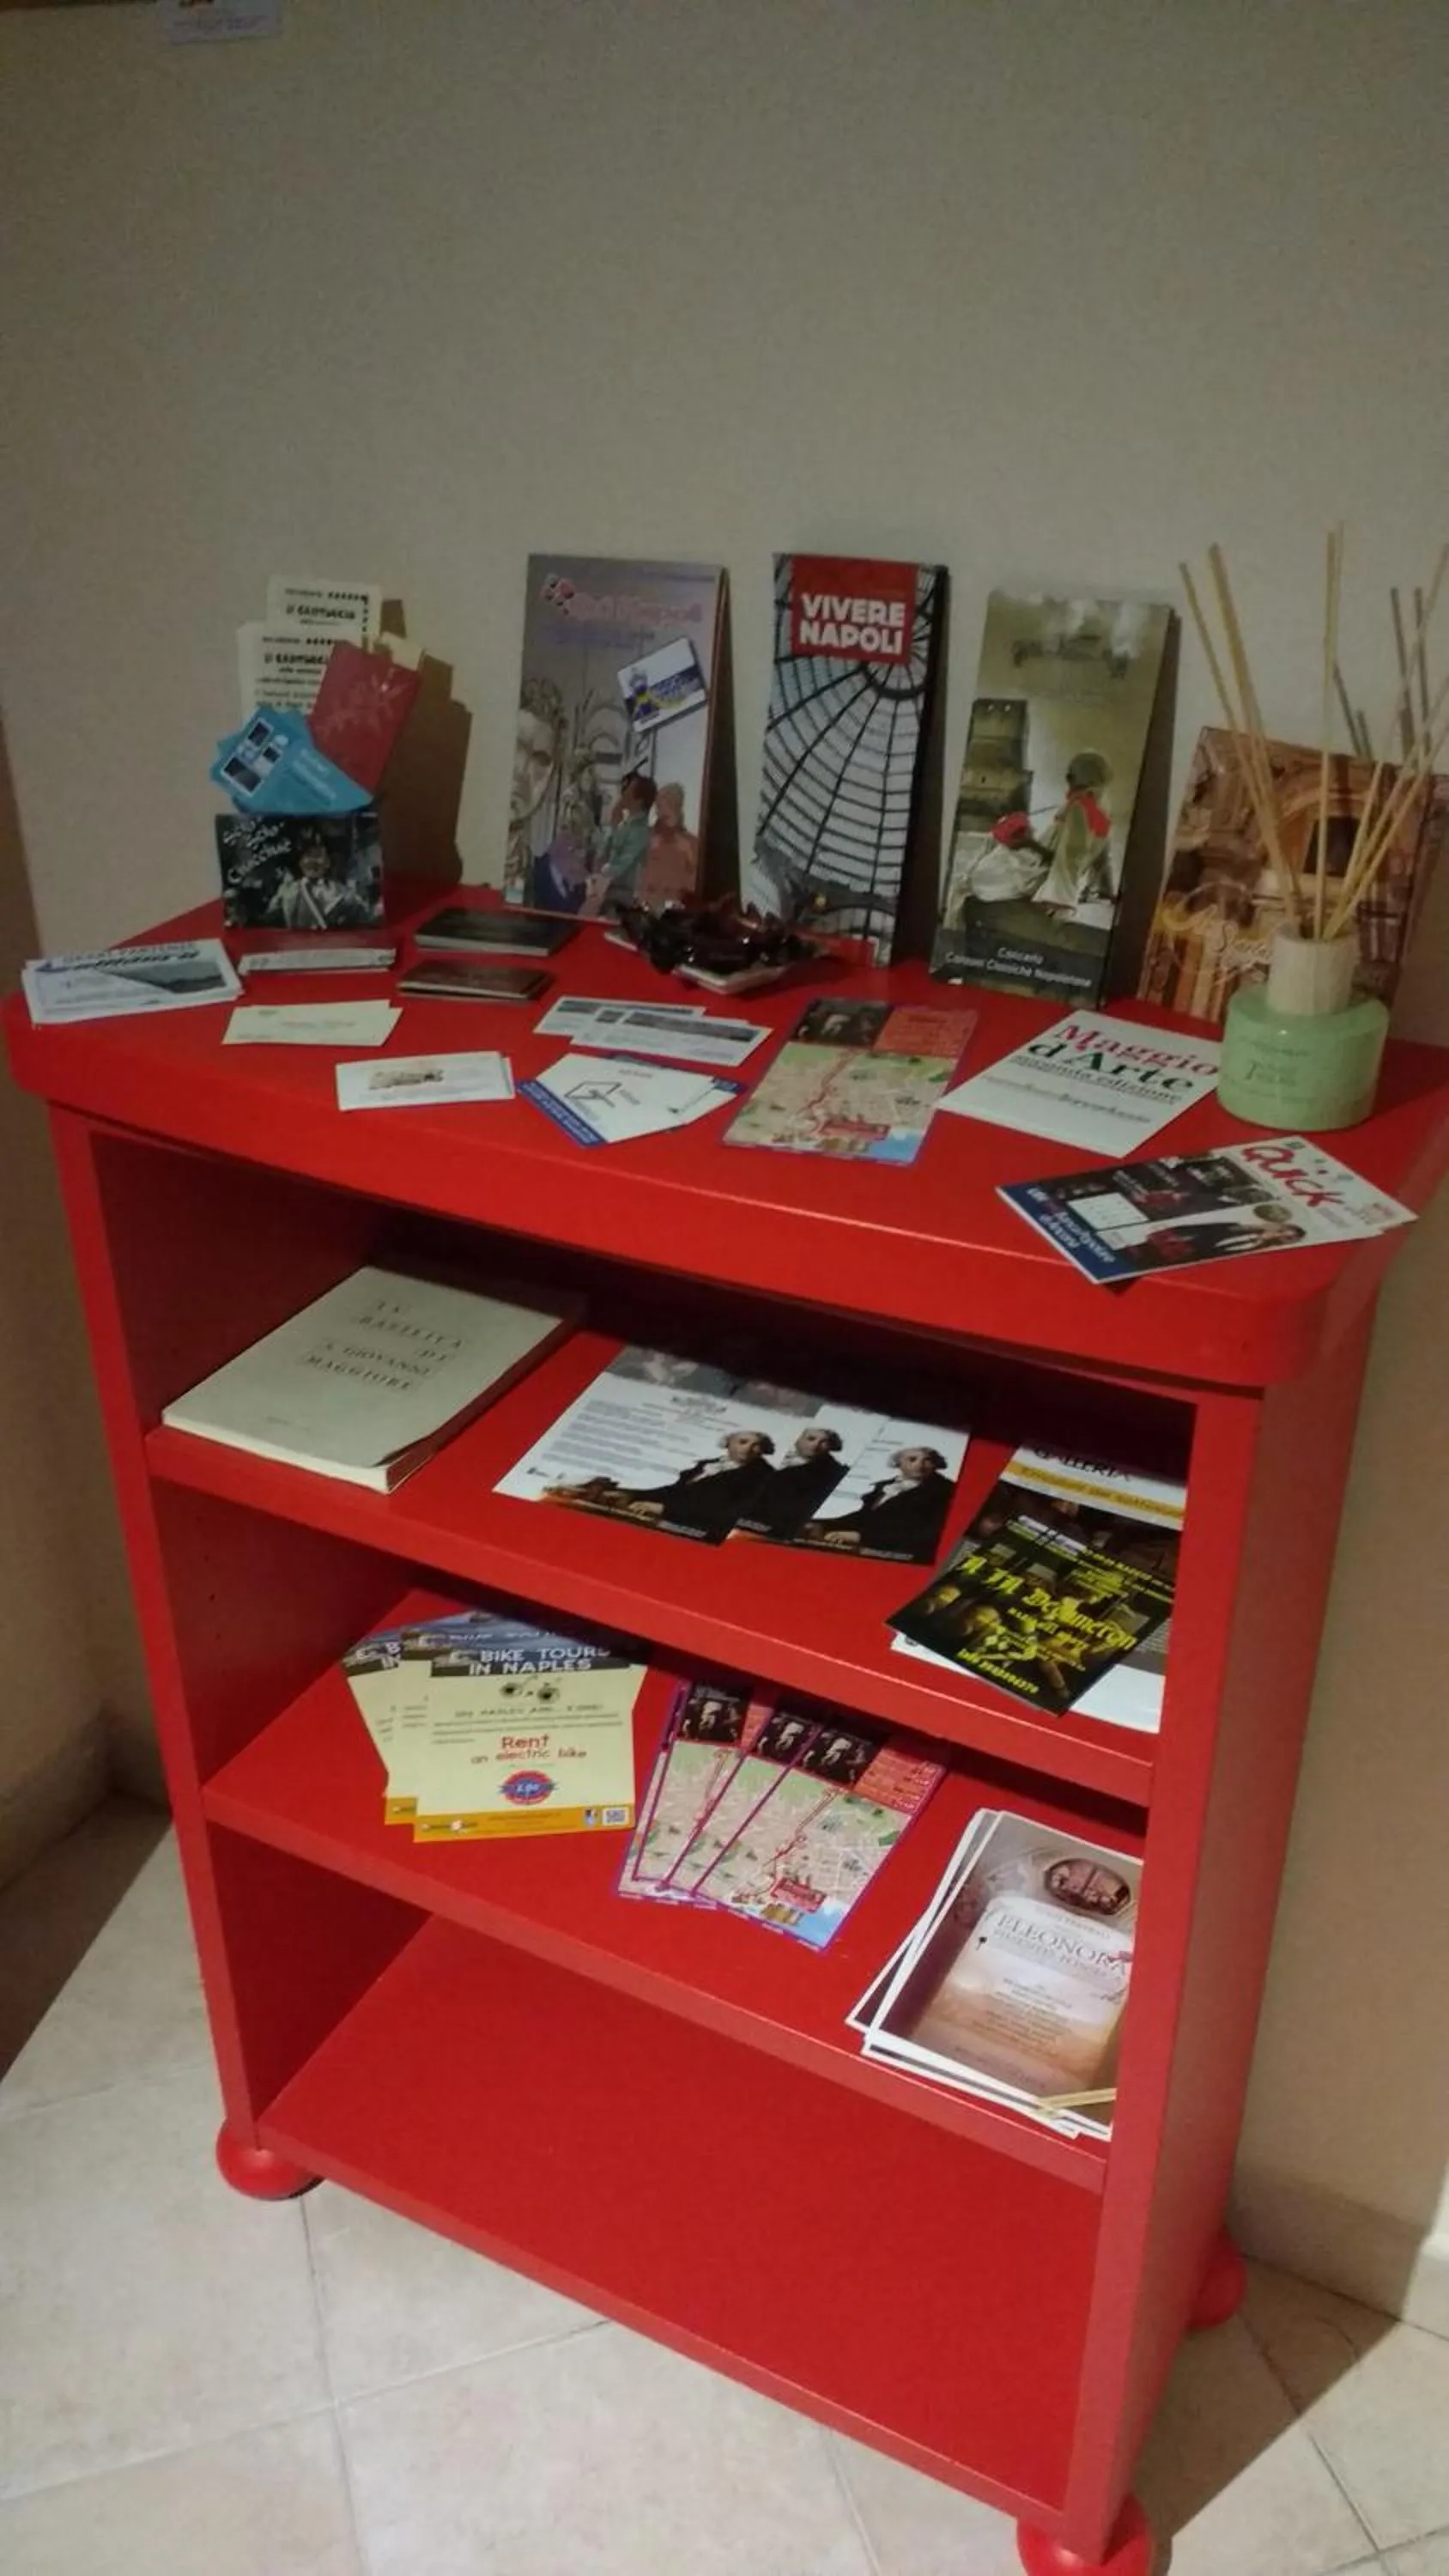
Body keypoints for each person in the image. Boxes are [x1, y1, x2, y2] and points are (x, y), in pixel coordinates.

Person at [616, 1428, 776, 1540]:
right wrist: (631, 1493)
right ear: (728, 1443)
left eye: (757, 1446)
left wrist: (665, 1509)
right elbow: (677, 1492)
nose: (749, 1449)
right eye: (743, 1442)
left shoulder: (763, 1476)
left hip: (700, 1535)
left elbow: (729, 1513)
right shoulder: (709, 1464)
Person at [804, 1446, 955, 1560]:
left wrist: (860, 1537)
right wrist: (824, 1524)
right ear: (898, 1463)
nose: (920, 1465)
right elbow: (866, 1517)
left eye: (928, 1460)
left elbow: (925, 1536)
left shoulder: (945, 1492)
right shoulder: (886, 1486)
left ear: (936, 1465)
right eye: (912, 1459)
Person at [737, 1425, 846, 1537]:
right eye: (811, 1439)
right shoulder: (761, 1459)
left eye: (824, 1442)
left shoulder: (831, 1473)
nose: (815, 1445)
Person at [583, 770, 657, 910]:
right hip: (607, 893)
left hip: (622, 899)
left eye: (629, 789)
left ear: (639, 799)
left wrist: (600, 874)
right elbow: (603, 853)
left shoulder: (640, 832)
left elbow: (621, 865)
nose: (624, 792)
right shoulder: (624, 825)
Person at [266, 835, 371, 931]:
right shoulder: (286, 892)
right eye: (307, 856)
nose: (312, 861)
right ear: (300, 862)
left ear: (328, 862)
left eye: (317, 855)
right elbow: (271, 924)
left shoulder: (344, 894)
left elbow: (363, 921)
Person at [636, 781, 700, 908]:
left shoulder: (692, 845)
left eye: (671, 804)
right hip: (645, 908)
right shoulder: (644, 838)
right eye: (660, 806)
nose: (664, 810)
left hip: (675, 914)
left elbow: (696, 887)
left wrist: (689, 857)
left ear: (679, 807)